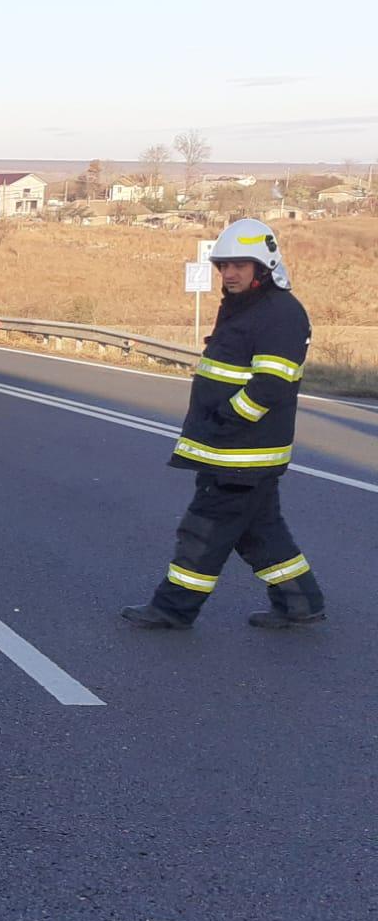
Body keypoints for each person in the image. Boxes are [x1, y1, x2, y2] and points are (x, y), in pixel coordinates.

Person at [122, 218, 325, 630]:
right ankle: (301, 602)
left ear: (263, 267)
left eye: (239, 266)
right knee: (260, 532)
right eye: (223, 266)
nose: (229, 274)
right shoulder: (245, 307)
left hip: (242, 452)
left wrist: (226, 420)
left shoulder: (281, 313)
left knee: (202, 533)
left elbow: (271, 385)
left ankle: (172, 608)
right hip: (234, 449)